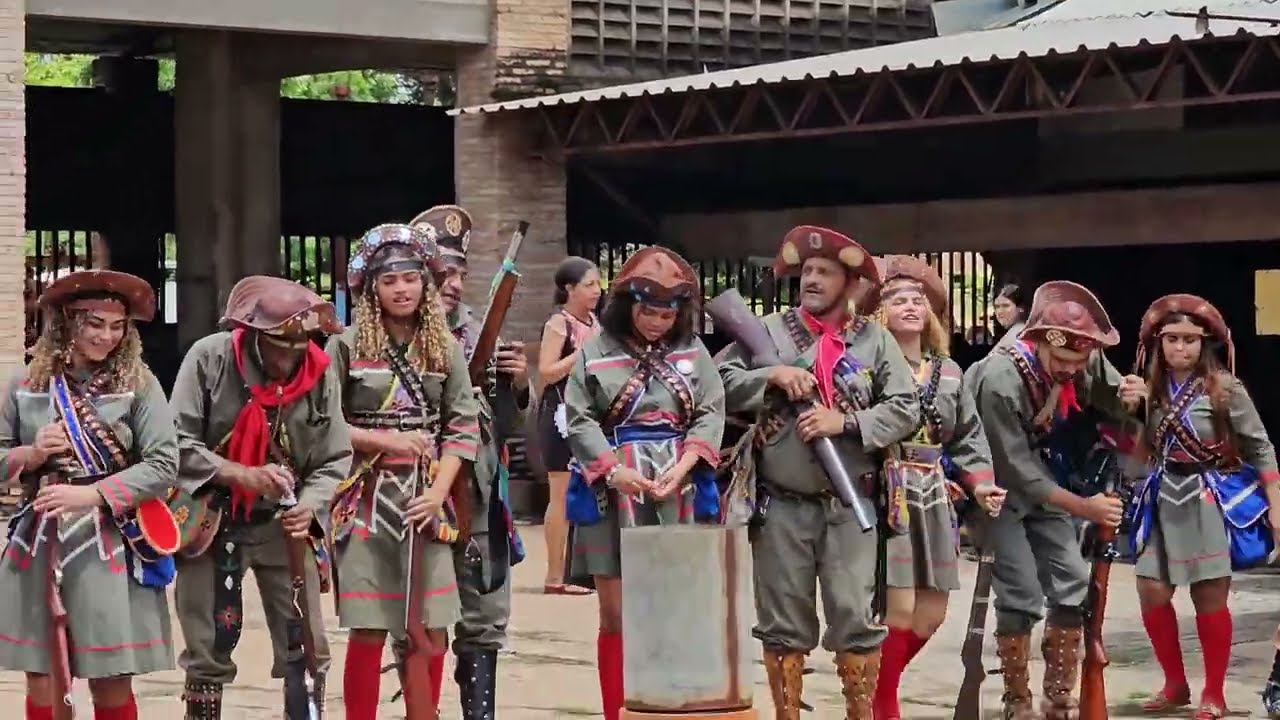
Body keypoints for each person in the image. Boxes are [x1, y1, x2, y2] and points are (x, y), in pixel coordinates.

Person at [719, 225, 920, 720]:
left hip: (852, 505)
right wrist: (772, 375)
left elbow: (906, 407)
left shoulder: (875, 341)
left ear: (850, 285)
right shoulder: (766, 332)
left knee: (855, 619)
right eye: (807, 270)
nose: (811, 278)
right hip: (781, 504)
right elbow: (719, 383)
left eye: (824, 272)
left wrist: (845, 421)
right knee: (782, 625)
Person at [171, 276, 352, 719]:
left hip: (285, 525)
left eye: (299, 346)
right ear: (252, 335)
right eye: (278, 346)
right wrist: (240, 475)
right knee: (205, 650)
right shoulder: (209, 358)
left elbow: (336, 456)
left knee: (307, 646)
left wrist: (311, 503)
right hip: (212, 519)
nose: (289, 357)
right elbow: (174, 443)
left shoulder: (320, 371)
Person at [0, 270, 177, 720]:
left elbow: (163, 465)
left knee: (110, 675)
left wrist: (93, 495)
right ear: (66, 322)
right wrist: (32, 452)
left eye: (117, 326)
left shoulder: (139, 384)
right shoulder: (25, 384)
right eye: (94, 323)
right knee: (43, 676)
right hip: (38, 541)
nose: (107, 336)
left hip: (110, 542)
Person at [969, 281, 1147, 720]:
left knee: (1072, 582)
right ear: (1038, 342)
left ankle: (1060, 698)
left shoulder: (1081, 352)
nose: (1071, 369)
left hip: (1045, 472)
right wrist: (1085, 508)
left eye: (1079, 361)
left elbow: (1112, 399)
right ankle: (1016, 701)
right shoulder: (999, 378)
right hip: (997, 485)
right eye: (1061, 361)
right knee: (1021, 593)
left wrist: (1133, 398)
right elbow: (1015, 470)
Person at [326, 223, 482, 720]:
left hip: (425, 499)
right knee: (368, 628)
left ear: (425, 282)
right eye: (390, 280)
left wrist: (438, 495)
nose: (402, 289)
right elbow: (323, 426)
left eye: (411, 278)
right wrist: (384, 440)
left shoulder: (445, 348)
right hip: (365, 496)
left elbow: (462, 426)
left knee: (431, 628)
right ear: (373, 287)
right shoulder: (345, 346)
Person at [563, 246, 725, 720]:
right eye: (648, 310)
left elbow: (711, 409)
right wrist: (613, 469)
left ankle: (670, 706)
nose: (657, 321)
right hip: (612, 487)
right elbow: (579, 420)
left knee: (676, 606)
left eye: (667, 312)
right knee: (616, 614)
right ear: (626, 306)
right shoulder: (594, 350)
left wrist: (689, 460)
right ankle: (617, 711)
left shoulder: (694, 351)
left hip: (680, 483)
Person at [1126, 295, 1280, 720]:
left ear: (1204, 344)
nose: (1181, 348)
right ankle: (1174, 684)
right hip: (1162, 494)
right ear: (1159, 344)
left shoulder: (1227, 389)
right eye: (1172, 339)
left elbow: (1262, 449)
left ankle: (1214, 693)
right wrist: (1132, 411)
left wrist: (1277, 508)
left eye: (1190, 340)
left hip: (1207, 497)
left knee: (1209, 595)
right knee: (1151, 589)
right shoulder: (1147, 388)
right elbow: (1136, 447)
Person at [866, 256, 1006, 720]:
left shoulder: (948, 371)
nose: (910, 305)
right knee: (899, 608)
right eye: (897, 299)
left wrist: (981, 484)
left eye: (918, 299)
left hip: (934, 492)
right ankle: (883, 706)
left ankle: (870, 689)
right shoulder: (866, 365)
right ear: (878, 314)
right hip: (888, 490)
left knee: (932, 613)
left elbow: (968, 435)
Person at [413, 204, 528, 719]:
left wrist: (517, 381)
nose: (455, 284)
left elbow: (509, 426)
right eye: (444, 273)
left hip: (478, 494)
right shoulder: (393, 335)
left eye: (460, 272)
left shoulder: (482, 331)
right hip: (420, 494)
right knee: (422, 619)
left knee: (484, 618)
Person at [536, 255, 601, 595]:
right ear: (569, 289)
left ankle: (585, 570)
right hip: (559, 414)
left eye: (597, 284)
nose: (597, 291)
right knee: (560, 494)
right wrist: (583, 352)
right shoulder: (559, 324)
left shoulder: (595, 322)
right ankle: (554, 576)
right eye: (589, 284)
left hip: (588, 414)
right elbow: (546, 372)